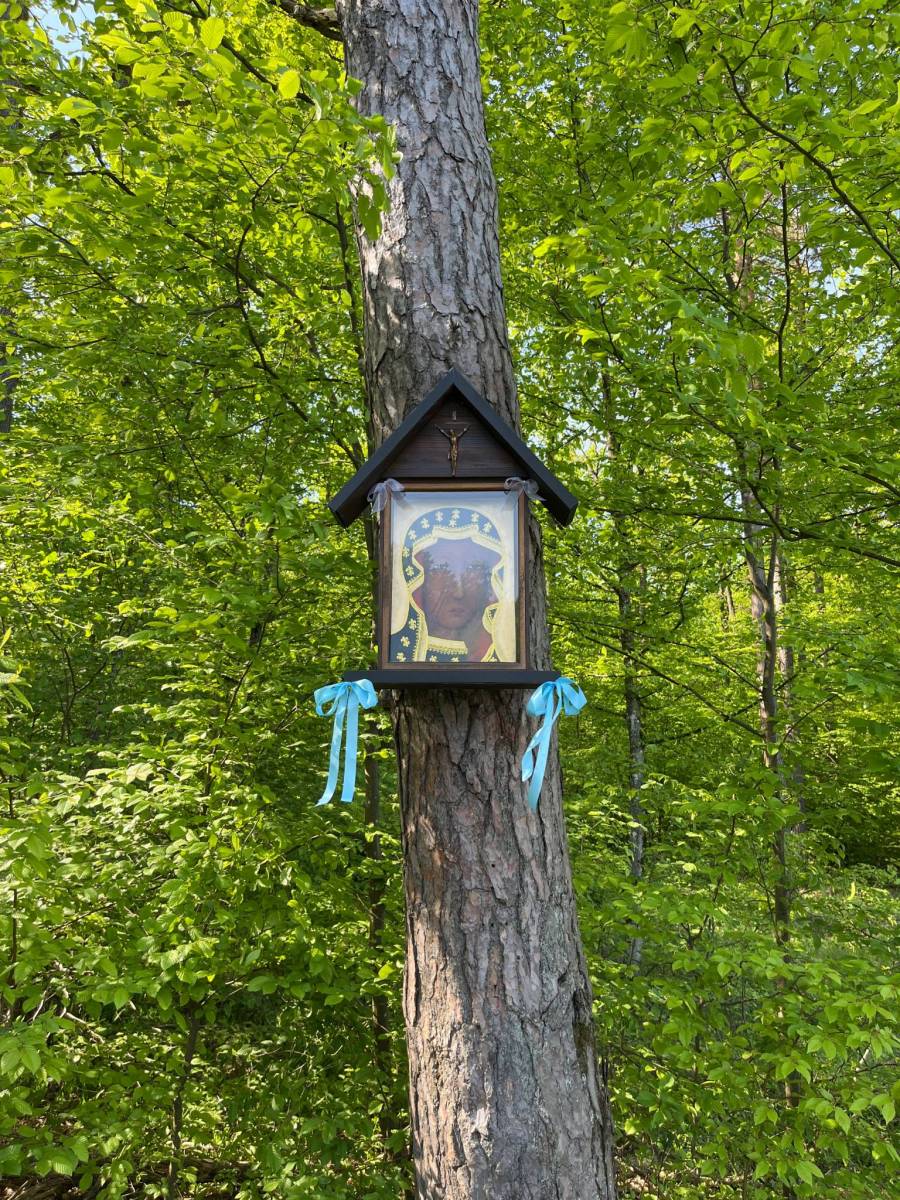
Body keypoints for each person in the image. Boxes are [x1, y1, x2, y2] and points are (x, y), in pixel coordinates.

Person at [389, 505, 515, 663]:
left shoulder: (494, 656)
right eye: (441, 567)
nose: (458, 593)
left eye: (473, 567)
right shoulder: (399, 653)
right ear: (418, 579)